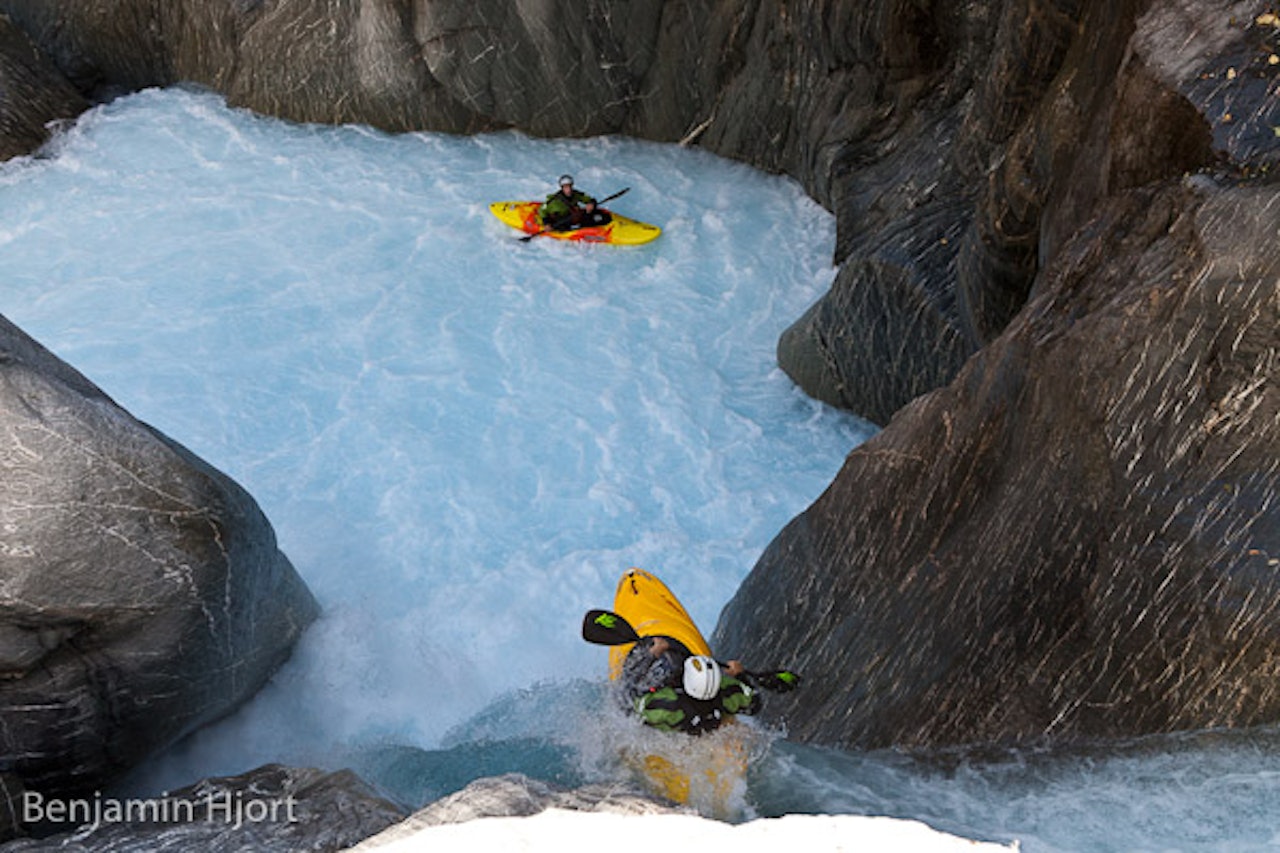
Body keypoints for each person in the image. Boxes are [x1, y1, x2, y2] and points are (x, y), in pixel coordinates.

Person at [632, 654, 761, 736]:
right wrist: (740, 675)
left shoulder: (668, 706)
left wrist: (651, 654)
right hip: (715, 731)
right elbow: (755, 705)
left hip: (679, 740)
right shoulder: (728, 691)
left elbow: (633, 704)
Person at [538, 174, 611, 230]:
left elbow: (588, 199)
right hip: (560, 220)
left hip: (572, 216)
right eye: (566, 187)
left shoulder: (575, 194)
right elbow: (542, 210)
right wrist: (546, 223)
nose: (569, 190)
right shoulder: (554, 200)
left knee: (594, 214)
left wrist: (591, 204)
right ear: (562, 188)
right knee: (563, 228)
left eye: (570, 186)